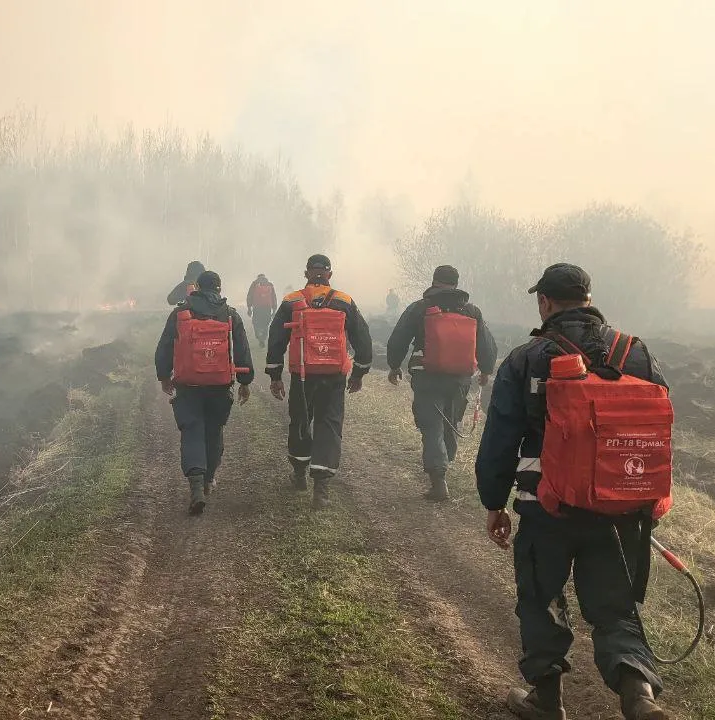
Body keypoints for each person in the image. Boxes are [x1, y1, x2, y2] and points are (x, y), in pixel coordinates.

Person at [475, 264, 671, 720]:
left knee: (541, 598)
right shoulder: (635, 353)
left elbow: (500, 439)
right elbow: (657, 429)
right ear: (588, 298)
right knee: (614, 604)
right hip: (619, 508)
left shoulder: (528, 358)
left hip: (548, 508)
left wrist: (493, 502)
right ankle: (638, 694)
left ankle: (547, 700)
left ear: (544, 302)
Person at [265, 254, 374, 508]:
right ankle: (321, 489)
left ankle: (300, 474)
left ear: (306, 273)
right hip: (334, 376)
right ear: (329, 275)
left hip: (302, 375)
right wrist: (358, 372)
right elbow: (363, 339)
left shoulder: (292, 301)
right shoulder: (343, 301)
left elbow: (276, 339)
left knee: (301, 421)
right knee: (330, 424)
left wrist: (274, 375)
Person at [386, 265, 497, 501]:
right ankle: (446, 460)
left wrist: (394, 365)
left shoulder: (420, 308)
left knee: (432, 425)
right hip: (460, 378)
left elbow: (399, 338)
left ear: (434, 281)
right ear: (457, 283)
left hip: (427, 376)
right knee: (452, 421)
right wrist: (486, 370)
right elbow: (486, 344)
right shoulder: (471, 311)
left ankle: (439, 479)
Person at [155, 270, 254, 514]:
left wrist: (163, 376)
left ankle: (196, 486)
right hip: (220, 385)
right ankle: (209, 478)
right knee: (213, 430)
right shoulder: (230, 314)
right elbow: (241, 348)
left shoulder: (180, 313)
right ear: (219, 288)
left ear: (197, 287)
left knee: (192, 431)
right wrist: (245, 380)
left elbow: (166, 345)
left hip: (188, 384)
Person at [245, 273, 278, 347]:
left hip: (257, 308)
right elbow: (274, 297)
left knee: (256, 323)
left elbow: (249, 296)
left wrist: (249, 308)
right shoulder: (270, 284)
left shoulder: (254, 284)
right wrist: (274, 310)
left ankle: (259, 336)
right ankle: (263, 337)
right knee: (266, 323)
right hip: (267, 308)